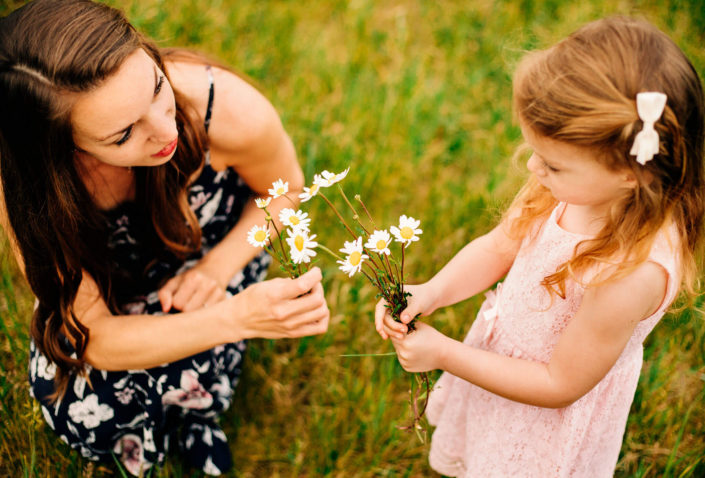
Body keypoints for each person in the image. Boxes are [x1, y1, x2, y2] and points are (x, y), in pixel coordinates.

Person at [0, 0, 330, 475]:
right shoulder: (35, 191)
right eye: (122, 135)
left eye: (156, 87)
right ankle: (187, 409)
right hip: (113, 284)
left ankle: (197, 416)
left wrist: (217, 272)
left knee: (191, 356)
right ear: (62, 148)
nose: (165, 128)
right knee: (81, 409)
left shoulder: (225, 109)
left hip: (212, 247)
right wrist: (236, 319)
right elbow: (94, 334)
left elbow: (286, 191)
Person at [375, 16, 704, 478]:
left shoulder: (632, 271)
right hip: (500, 371)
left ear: (631, 173)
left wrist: (445, 354)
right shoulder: (571, 188)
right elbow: (499, 246)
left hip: (544, 421)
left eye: (551, 162)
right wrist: (431, 291)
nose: (532, 166)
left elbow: (559, 383)